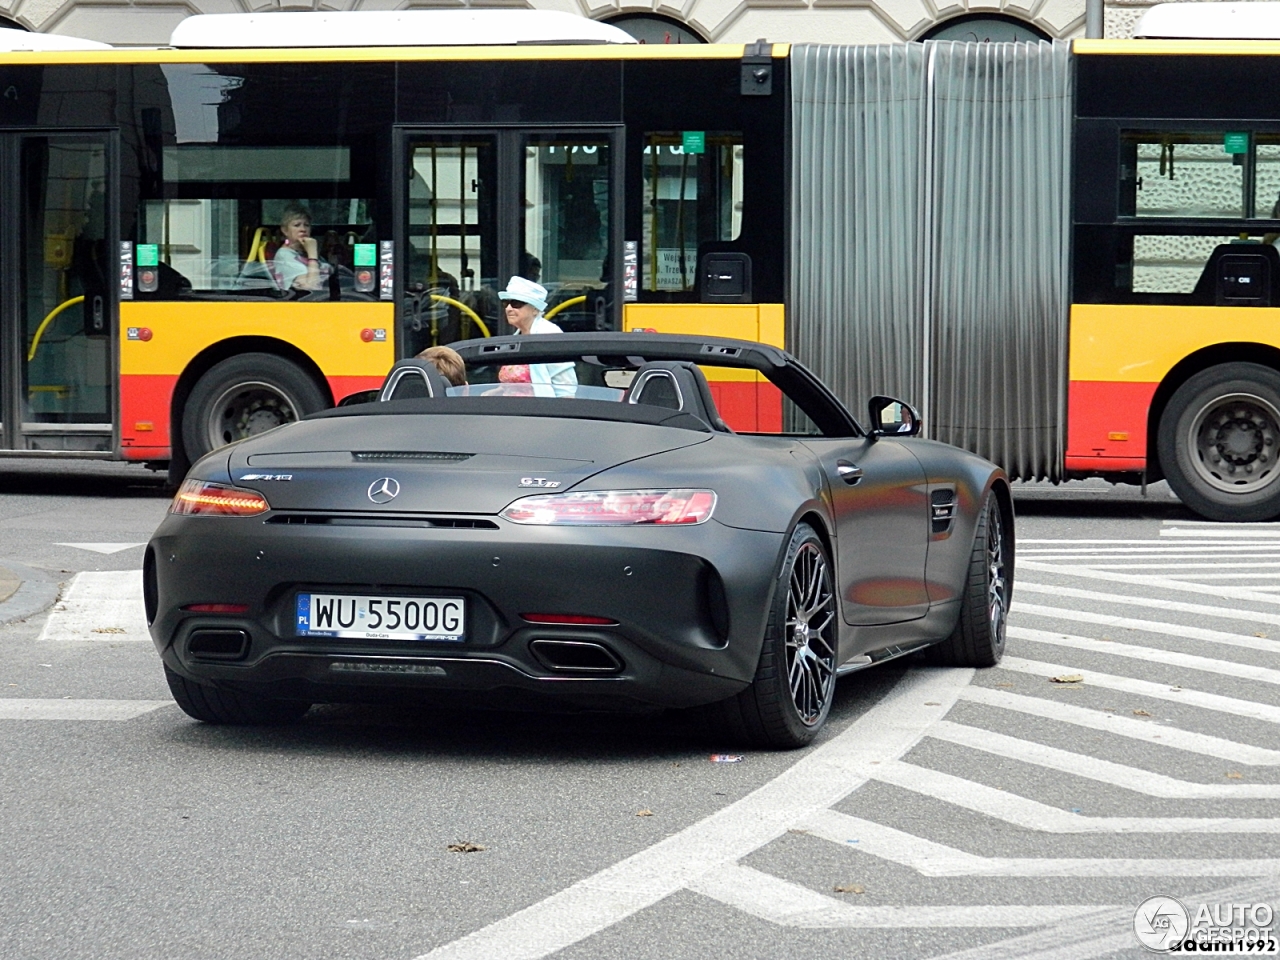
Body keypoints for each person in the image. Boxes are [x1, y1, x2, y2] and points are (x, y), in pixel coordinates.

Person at [497, 276, 577, 397]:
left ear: (535, 309)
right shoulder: (516, 336)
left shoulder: (549, 334)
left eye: (516, 303)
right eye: (506, 303)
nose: (508, 308)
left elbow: (566, 388)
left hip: (538, 412)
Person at [272, 204, 326, 291]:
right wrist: (313, 255)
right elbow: (311, 287)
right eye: (297, 225)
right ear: (285, 230)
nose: (303, 229)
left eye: (307, 225)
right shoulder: (284, 256)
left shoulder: (304, 252)